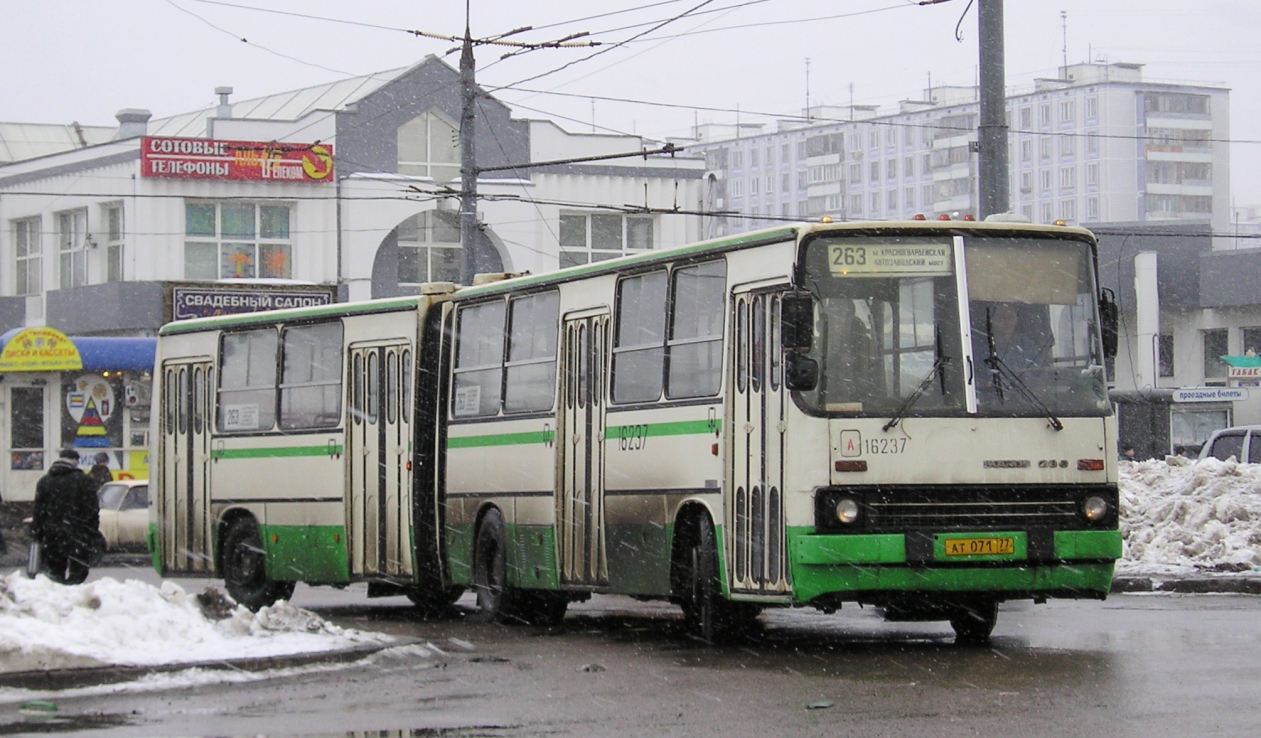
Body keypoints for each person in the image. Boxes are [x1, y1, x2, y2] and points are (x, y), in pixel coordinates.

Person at [31, 448, 100, 585]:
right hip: (78, 535)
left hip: (51, 536)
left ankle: (58, 597)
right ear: (75, 462)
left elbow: (38, 511)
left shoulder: (44, 481)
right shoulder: (84, 481)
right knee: (78, 573)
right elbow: (92, 511)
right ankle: (72, 594)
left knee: (54, 573)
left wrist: (37, 534)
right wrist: (92, 533)